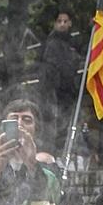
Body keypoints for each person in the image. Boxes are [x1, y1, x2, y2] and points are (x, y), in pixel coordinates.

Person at [39, 10, 84, 151]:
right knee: (58, 125)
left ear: (70, 23)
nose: (62, 24)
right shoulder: (52, 44)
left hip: (67, 92)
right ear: (55, 24)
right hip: (56, 92)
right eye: (59, 21)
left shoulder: (72, 43)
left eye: (65, 21)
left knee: (66, 124)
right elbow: (51, 71)